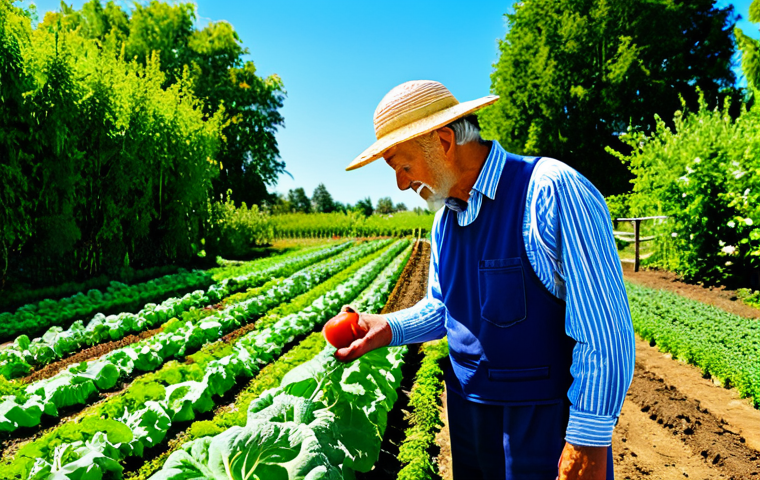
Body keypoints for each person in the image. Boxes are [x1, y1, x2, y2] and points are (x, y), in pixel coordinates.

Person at [330, 80, 635, 480]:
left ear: (442, 141)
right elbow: (444, 308)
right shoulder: (445, 220)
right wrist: (386, 326)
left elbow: (605, 331)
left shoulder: (551, 190)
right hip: (469, 415)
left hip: (540, 423)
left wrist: (587, 440)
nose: (401, 184)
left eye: (403, 166)